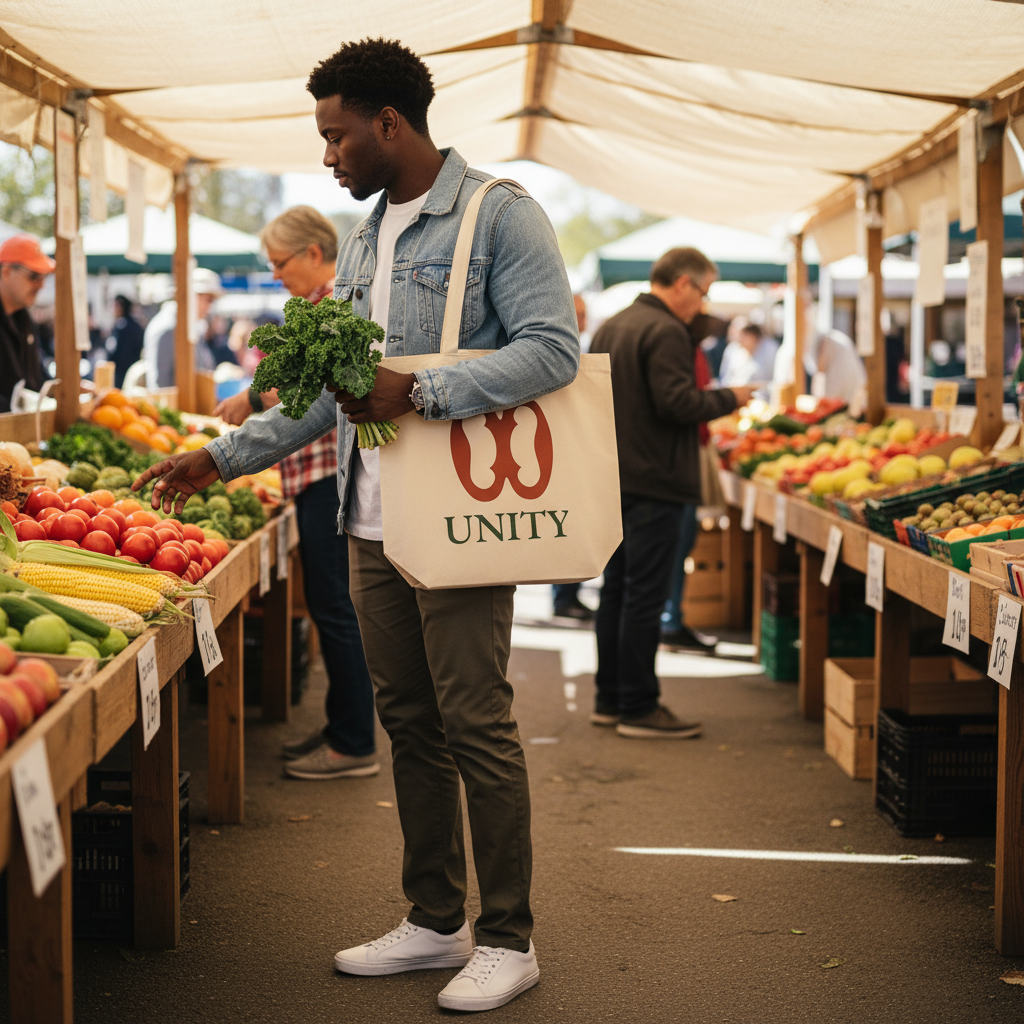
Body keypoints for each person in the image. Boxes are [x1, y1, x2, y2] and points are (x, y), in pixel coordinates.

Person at [132, 37, 579, 1014]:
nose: (328, 155)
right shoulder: (370, 235)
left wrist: (420, 388)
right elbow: (335, 390)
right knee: (410, 722)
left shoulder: (501, 216)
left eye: (337, 135)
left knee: (476, 722)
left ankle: (509, 935)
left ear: (390, 123)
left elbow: (554, 351)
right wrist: (227, 452)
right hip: (373, 519)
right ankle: (432, 918)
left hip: (464, 515)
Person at [213, 205, 378, 783]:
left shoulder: (336, 304)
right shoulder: (321, 306)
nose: (276, 274)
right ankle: (344, 728)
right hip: (313, 475)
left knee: (337, 608)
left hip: (325, 478)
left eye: (280, 263)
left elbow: (312, 394)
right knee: (337, 608)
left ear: (313, 254)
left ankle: (354, 742)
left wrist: (254, 399)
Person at [589, 247, 755, 738]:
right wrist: (732, 398)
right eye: (702, 293)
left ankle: (609, 699)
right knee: (644, 597)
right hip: (656, 480)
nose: (702, 306)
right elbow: (676, 402)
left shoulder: (613, 325)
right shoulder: (664, 331)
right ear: (682, 283)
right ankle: (639, 707)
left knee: (616, 593)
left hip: (614, 477)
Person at [660, 341, 719, 652]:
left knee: (678, 541)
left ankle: (670, 618)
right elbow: (682, 403)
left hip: (675, 458)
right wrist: (726, 399)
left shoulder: (684, 343)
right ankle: (670, 620)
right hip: (676, 461)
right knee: (677, 540)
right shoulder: (673, 342)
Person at [551, 293, 593, 621]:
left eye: (583, 313)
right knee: (563, 524)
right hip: (557, 452)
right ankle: (564, 596)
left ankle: (568, 595)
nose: (581, 319)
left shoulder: (584, 352)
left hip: (575, 451)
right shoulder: (560, 353)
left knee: (573, 523)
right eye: (576, 312)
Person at [142, 266, 220, 388]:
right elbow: (160, 386)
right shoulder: (168, 327)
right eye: (208, 300)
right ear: (191, 295)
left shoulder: (189, 326)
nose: (210, 307)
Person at [0, 235, 54, 412]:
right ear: (6, 272)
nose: (41, 285)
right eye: (34, 276)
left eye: (43, 277)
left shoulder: (24, 318)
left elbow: (36, 374)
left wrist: (60, 389)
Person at [805, 328, 866, 404]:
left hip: (852, 405)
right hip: (857, 400)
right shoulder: (835, 341)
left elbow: (827, 399)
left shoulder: (837, 357)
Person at [718, 319, 779, 390]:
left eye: (742, 335)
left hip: (763, 395)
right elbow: (725, 378)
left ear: (753, 335)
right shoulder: (732, 350)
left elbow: (776, 379)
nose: (738, 339)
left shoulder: (770, 349)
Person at [107, 294, 145, 388]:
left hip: (120, 371)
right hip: (133, 370)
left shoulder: (120, 326)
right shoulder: (137, 325)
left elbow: (112, 349)